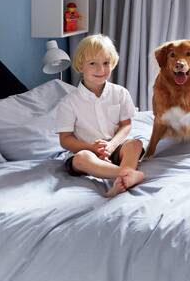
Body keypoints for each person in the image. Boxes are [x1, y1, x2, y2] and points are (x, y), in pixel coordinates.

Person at [55, 34, 144, 197]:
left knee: (136, 144)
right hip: (86, 150)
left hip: (115, 147)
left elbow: (126, 125)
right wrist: (91, 148)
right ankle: (128, 174)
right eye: (93, 64)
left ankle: (122, 178)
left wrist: (111, 146)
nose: (101, 70)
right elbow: (65, 140)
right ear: (81, 66)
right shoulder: (69, 102)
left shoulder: (120, 93)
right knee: (82, 158)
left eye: (106, 63)